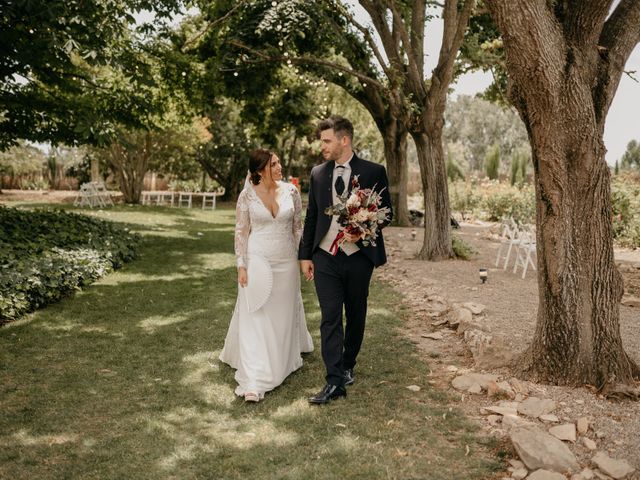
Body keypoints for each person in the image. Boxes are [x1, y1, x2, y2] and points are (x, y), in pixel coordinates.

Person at [299, 116, 393, 405]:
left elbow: (387, 212)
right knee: (329, 317)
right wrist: (304, 255)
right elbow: (312, 216)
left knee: (355, 313)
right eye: (322, 140)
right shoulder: (317, 173)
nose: (322, 146)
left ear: (344, 140)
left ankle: (348, 363)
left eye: (327, 140)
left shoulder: (373, 171)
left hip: (358, 258)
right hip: (325, 255)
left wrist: (363, 227)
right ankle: (335, 379)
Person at [220, 149, 314, 402]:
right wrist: (241, 265)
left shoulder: (291, 192)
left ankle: (282, 357)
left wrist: (304, 259)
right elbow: (241, 232)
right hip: (257, 261)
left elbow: (297, 227)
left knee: (282, 315)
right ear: (261, 168)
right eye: (274, 164)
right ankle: (254, 379)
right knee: (256, 315)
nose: (280, 167)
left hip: (286, 262)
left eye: (279, 162)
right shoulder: (246, 195)